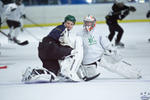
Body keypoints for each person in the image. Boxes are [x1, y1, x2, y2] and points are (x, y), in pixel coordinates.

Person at [77, 15, 141, 80]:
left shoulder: (99, 32)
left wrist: (111, 50)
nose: (88, 24)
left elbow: (106, 44)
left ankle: (134, 74)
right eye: (86, 22)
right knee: (89, 75)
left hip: (100, 56)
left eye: (90, 22)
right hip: (88, 60)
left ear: (94, 23)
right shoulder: (79, 33)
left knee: (115, 67)